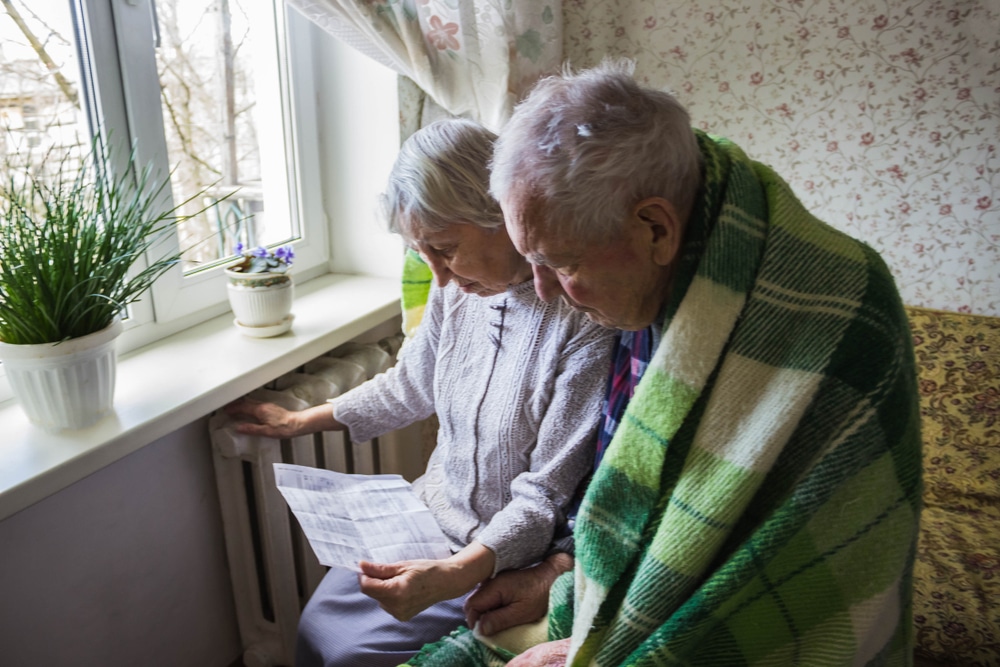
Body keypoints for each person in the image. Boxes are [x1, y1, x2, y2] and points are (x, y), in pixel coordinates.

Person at [404, 60, 922, 667]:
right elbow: (624, 489)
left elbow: (793, 578)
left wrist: (588, 652)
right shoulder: (646, 284)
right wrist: (559, 572)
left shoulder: (837, 311)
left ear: (656, 228)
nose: (542, 291)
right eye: (530, 261)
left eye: (561, 264)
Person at [225, 118, 616, 667]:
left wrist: (457, 572)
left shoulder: (584, 319)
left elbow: (544, 496)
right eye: (421, 252)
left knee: (352, 657)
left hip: (502, 556)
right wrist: (299, 421)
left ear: (502, 216)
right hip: (426, 517)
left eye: (446, 248)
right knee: (317, 626)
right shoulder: (456, 293)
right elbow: (411, 384)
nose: (437, 275)